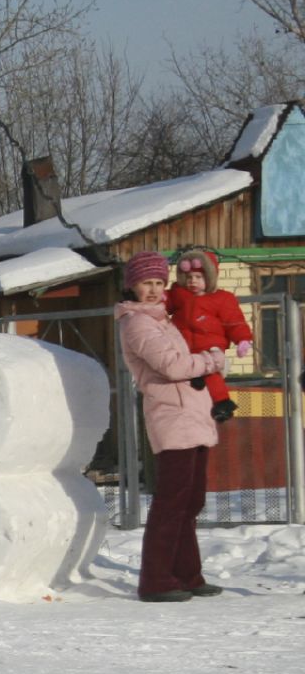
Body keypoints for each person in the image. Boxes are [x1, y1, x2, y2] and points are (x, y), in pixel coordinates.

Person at [115, 250, 230, 603]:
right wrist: (212, 359)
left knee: (191, 499)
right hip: (171, 416)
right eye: (145, 283)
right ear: (131, 286)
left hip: (193, 415)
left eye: (157, 283)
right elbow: (174, 367)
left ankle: (187, 575)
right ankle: (156, 580)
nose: (152, 290)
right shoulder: (137, 323)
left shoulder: (163, 320)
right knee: (172, 500)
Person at [165, 246, 251, 422]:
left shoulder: (221, 299)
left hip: (209, 348)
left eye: (198, 277)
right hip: (184, 348)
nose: (193, 281)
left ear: (209, 278)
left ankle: (222, 403)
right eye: (189, 277)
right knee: (182, 375)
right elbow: (162, 302)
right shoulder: (179, 294)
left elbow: (234, 322)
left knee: (212, 375)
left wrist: (242, 340)